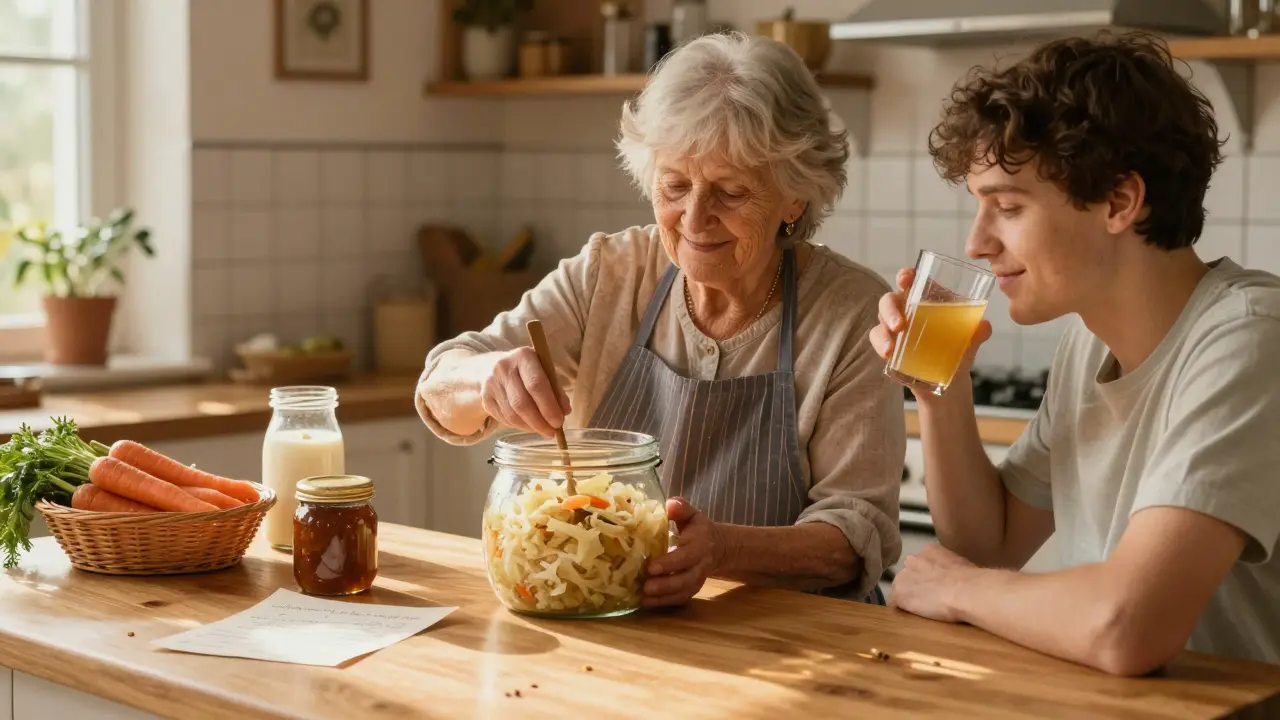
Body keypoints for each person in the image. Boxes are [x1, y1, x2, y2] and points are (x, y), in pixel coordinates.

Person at [417, 32, 904, 607]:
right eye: (674, 185)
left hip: (799, 646)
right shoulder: (610, 273)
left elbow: (854, 539)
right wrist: (486, 376)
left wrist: (723, 550)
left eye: (731, 191)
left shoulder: (851, 315)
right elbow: (440, 385)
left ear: (794, 198)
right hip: (622, 620)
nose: (695, 217)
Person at [869, 31, 1280, 674]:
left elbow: (1127, 627)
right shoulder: (1087, 345)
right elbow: (990, 542)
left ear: (1119, 201)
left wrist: (955, 589)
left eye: (1006, 207)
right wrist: (938, 389)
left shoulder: (1251, 340)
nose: (976, 242)